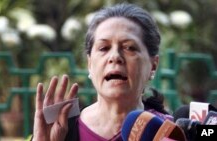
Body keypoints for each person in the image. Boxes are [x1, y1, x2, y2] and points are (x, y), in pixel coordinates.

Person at [32, 3, 173, 141]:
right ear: (89, 64)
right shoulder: (63, 130)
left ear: (153, 65)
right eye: (104, 48)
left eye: (129, 47)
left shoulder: (170, 133)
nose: (115, 57)